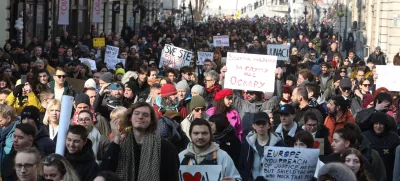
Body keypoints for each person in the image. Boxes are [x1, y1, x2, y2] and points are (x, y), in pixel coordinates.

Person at [100, 102, 180, 181]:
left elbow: (172, 177)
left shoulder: (165, 147)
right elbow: (105, 171)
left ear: (151, 120)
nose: (140, 117)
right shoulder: (118, 145)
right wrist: (116, 138)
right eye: (136, 113)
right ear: (130, 118)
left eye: (145, 115)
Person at [238, 111, 285, 181]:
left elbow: (284, 166)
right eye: (258, 123)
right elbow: (241, 165)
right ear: (253, 126)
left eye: (263, 123)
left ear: (269, 125)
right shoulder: (247, 144)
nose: (261, 126)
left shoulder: (279, 143)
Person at [362, 111, 400, 180]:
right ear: (372, 124)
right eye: (376, 123)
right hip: (369, 174)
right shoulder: (365, 136)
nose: (378, 126)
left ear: (385, 125)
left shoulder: (393, 138)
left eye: (381, 124)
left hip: (388, 173)